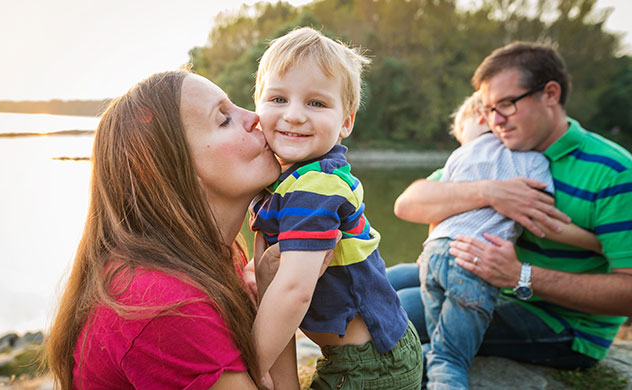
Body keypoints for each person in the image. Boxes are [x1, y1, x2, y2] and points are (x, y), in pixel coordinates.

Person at [46, 69, 308, 389]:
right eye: (223, 119)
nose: (255, 117)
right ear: (172, 169)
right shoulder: (160, 304)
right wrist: (274, 301)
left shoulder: (214, 259)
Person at [391, 41, 632, 378]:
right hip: (481, 278)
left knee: (395, 312)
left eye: (507, 104)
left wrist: (522, 275)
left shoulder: (614, 172)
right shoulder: (500, 147)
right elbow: (410, 202)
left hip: (559, 323)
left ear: (550, 94)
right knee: (381, 283)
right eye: (489, 108)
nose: (496, 119)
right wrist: (490, 192)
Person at [249, 27, 422, 390]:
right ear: (257, 106)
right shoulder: (290, 180)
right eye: (278, 99)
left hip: (371, 365)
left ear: (346, 121)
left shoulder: (317, 186)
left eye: (316, 103)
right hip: (362, 354)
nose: (294, 115)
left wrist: (251, 366)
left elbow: (294, 290)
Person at [409, 90, 601, 390]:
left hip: (437, 252)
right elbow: (542, 220)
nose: (461, 139)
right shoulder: (533, 161)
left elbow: (437, 205)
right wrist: (595, 242)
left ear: (482, 117)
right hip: (471, 264)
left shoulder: (461, 155)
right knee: (450, 358)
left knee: (437, 344)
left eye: (462, 130)